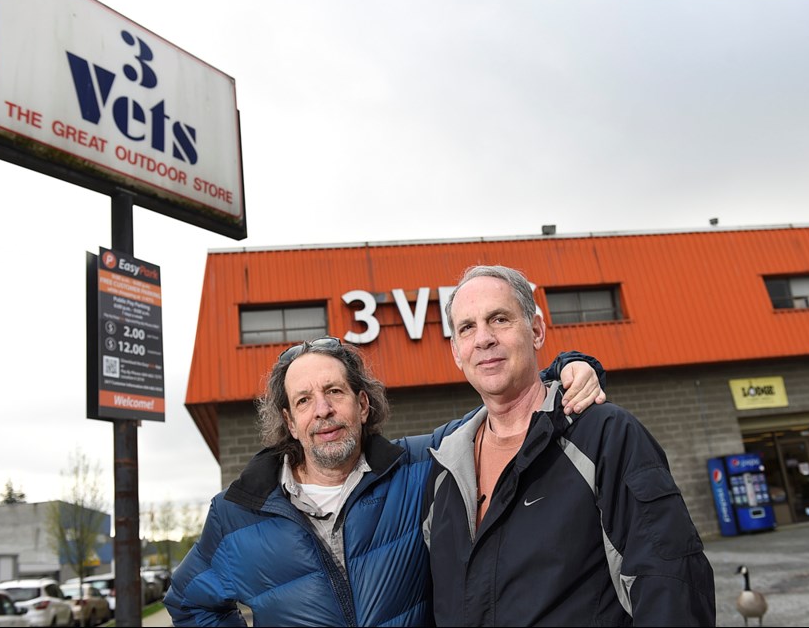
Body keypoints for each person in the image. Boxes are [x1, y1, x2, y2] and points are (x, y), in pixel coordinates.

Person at [164, 334, 606, 626]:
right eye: (304, 400)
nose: (322, 410)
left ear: (362, 404)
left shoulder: (420, 467)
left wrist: (569, 367)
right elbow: (189, 602)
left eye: (334, 392)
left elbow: (506, 408)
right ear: (290, 421)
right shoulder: (238, 512)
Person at [423, 265, 716, 626]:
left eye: (499, 319)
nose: (483, 338)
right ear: (456, 351)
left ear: (536, 331)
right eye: (467, 327)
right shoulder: (444, 464)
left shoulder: (604, 434)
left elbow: (671, 585)